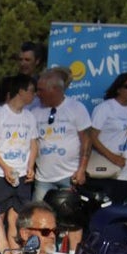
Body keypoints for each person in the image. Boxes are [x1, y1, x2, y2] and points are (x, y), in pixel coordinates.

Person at [0, 74, 39, 242]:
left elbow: (33, 143)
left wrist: (31, 166)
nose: (34, 95)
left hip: (21, 175)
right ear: (20, 91)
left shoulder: (29, 116)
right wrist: (5, 167)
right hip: (0, 174)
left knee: (17, 218)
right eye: (31, 91)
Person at [32, 68, 91, 200]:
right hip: (43, 178)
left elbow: (86, 140)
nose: (37, 94)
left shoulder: (77, 108)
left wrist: (82, 169)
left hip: (69, 175)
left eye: (41, 90)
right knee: (38, 214)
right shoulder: (35, 112)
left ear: (54, 90)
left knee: (68, 216)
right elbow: (33, 143)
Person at [85, 72, 127, 205]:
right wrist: (113, 157)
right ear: (118, 88)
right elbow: (92, 137)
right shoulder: (105, 108)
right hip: (105, 169)